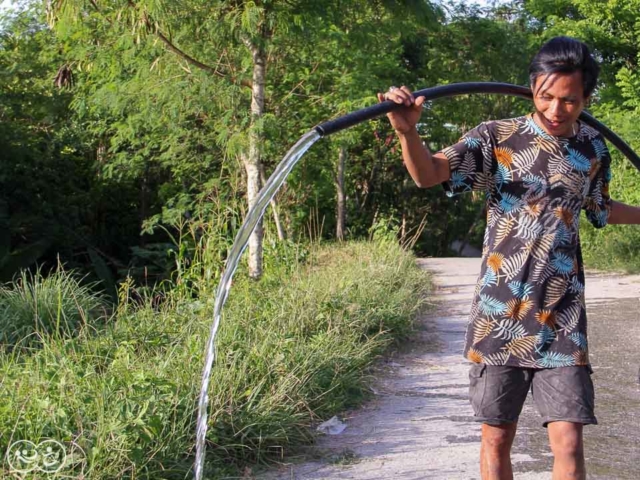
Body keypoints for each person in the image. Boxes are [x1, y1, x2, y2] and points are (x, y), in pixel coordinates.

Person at [379, 36, 640, 480]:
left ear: (586, 98)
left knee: (570, 444)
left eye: (570, 101)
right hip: (500, 317)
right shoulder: (497, 137)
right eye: (547, 97)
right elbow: (430, 174)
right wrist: (408, 131)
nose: (557, 110)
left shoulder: (593, 148)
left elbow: (599, 208)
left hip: (562, 320)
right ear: (532, 87)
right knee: (497, 439)